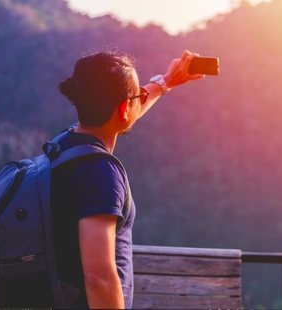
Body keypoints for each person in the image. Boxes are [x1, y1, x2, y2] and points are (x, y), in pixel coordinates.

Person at [52, 50, 204, 309]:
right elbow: (99, 277)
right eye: (137, 97)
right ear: (124, 108)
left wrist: (164, 83)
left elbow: (122, 111)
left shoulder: (63, 146)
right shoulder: (99, 172)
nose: (140, 100)